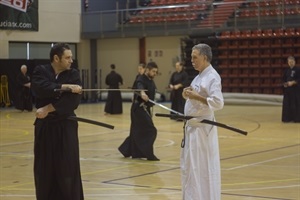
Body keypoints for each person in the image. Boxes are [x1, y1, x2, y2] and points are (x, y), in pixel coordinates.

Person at [31, 43, 84, 200]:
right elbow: (39, 88)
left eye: (71, 57)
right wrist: (65, 87)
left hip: (66, 126)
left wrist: (47, 108)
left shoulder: (74, 74)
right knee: (44, 168)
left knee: (67, 167)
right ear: (56, 58)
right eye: (67, 57)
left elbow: (72, 102)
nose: (71, 60)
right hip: (45, 127)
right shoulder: (41, 71)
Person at [181, 43, 224, 199]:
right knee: (191, 168)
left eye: (195, 57)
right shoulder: (199, 75)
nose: (192, 60)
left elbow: (218, 102)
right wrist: (186, 93)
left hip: (202, 131)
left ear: (204, 57)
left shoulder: (212, 76)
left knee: (202, 168)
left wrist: (195, 96)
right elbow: (195, 96)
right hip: (193, 129)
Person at [118, 61, 160, 161]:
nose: (155, 74)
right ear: (148, 70)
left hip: (145, 109)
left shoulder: (151, 80)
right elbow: (139, 86)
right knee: (151, 130)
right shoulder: (141, 78)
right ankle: (148, 153)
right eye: (153, 71)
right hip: (139, 108)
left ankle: (126, 150)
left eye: (156, 72)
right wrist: (142, 93)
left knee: (136, 131)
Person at [282, 56, 300, 122]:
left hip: (295, 91)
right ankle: (287, 118)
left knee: (295, 104)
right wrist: (285, 84)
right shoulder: (286, 70)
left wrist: (293, 82)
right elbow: (283, 79)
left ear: (294, 62)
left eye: (292, 62)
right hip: (288, 91)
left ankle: (296, 119)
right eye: (289, 62)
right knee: (287, 104)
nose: (290, 63)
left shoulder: (298, 69)